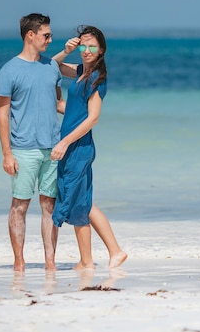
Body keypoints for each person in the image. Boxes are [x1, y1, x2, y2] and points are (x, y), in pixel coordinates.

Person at [51, 25, 127, 270]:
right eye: (82, 45)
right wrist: (65, 50)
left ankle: (102, 255)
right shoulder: (83, 72)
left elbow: (93, 118)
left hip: (78, 146)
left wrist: (64, 142)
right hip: (73, 145)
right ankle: (95, 258)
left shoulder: (96, 78)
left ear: (101, 49)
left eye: (91, 45)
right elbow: (52, 67)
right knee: (82, 202)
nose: (86, 50)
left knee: (79, 202)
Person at [0, 13, 62, 272]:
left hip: (53, 148)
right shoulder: (9, 70)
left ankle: (50, 262)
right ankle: (19, 262)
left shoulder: (51, 67)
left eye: (50, 35)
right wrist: (6, 154)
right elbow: (2, 113)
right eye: (46, 35)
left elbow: (58, 104)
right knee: (20, 206)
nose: (50, 39)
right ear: (30, 35)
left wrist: (88, 113)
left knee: (49, 206)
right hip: (23, 149)